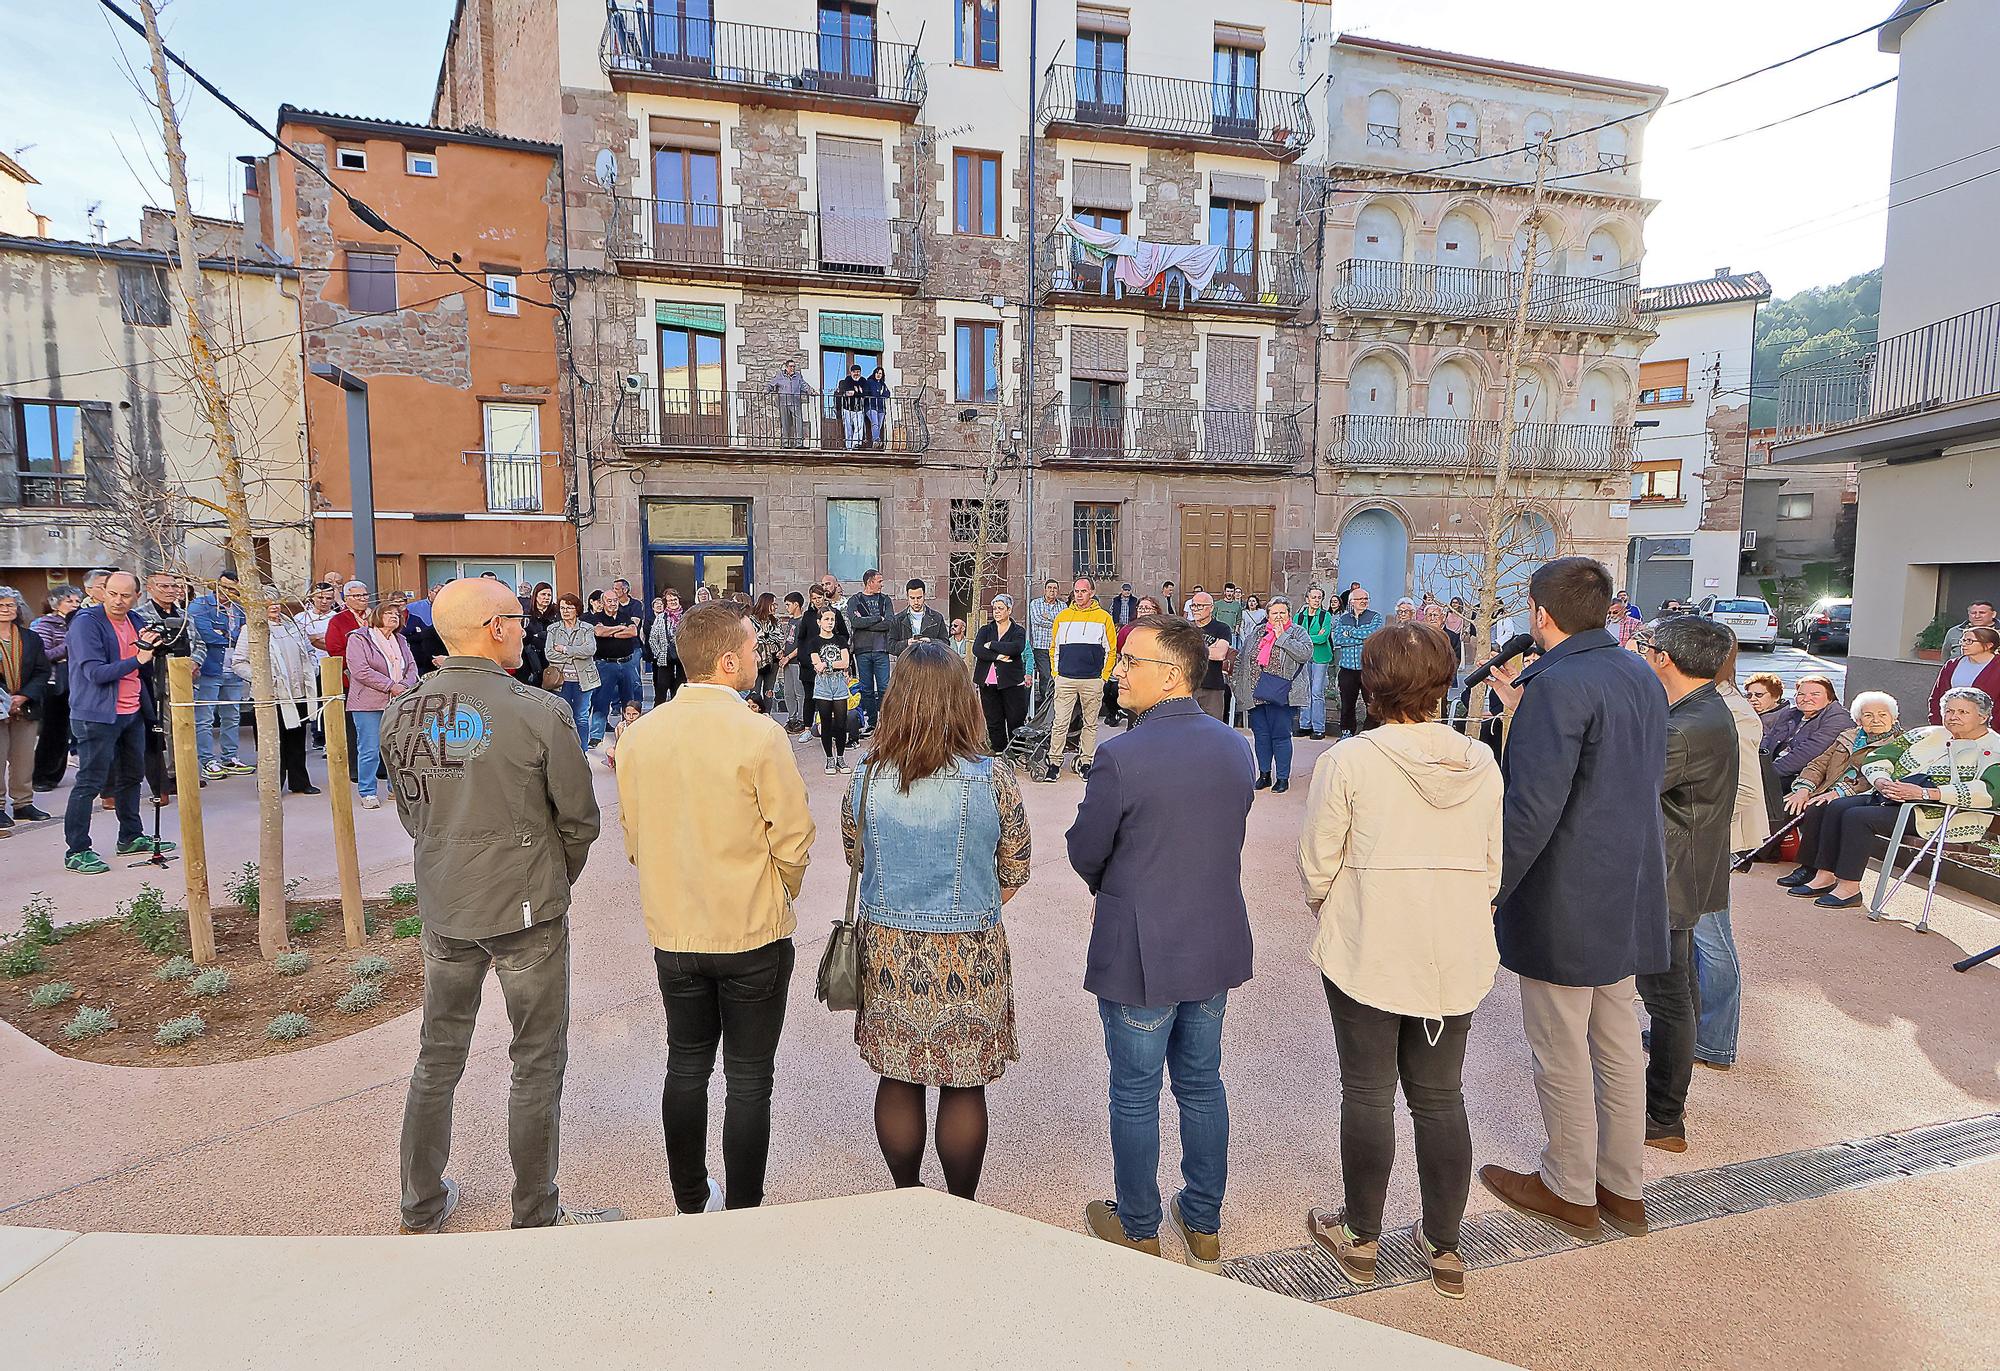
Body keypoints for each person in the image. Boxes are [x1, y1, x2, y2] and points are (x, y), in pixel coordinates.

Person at [383, 576, 615, 1233]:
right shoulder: (538, 710)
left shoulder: (403, 712)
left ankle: (419, 1201)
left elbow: (412, 814)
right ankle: (534, 1212)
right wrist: (551, 880)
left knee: (438, 1052)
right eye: (515, 618)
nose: (523, 628)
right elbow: (580, 820)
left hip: (447, 903)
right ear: (493, 627)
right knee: (536, 1059)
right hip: (525, 911)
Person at [1298, 622, 1502, 1300]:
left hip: (1370, 941)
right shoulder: (1481, 760)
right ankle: (1444, 1245)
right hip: (1456, 945)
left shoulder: (1351, 760)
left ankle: (1362, 1236)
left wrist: (1336, 906)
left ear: (1375, 685)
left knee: (1368, 1091)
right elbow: (1493, 866)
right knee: (1441, 1096)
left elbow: (1318, 863)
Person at [1477, 556, 1667, 1243]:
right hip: (1628, 882)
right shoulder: (1638, 671)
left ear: (1539, 614)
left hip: (1566, 889)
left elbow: (1531, 807)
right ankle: (1624, 1185)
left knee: (1560, 1045)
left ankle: (1568, 1186)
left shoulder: (1557, 684)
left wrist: (1490, 888)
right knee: (1616, 1042)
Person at [1068, 614, 1256, 1268]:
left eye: (1130, 661)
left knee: (1136, 1090)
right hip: (1212, 939)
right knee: (1202, 1082)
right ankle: (1203, 1220)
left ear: (1171, 673)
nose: (1119, 671)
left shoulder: (1123, 754)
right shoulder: (1235, 745)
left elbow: (1086, 850)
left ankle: (1140, 1224)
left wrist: (1114, 885)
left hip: (1142, 948)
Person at [615, 601, 815, 1214]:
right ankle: (744, 1206)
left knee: (687, 1064)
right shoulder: (759, 734)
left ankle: (690, 1199)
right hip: (752, 929)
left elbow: (634, 834)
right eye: (754, 651)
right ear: (727, 662)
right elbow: (794, 835)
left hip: (676, 930)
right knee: (749, 1078)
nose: (760, 657)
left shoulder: (640, 736)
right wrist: (780, 890)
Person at [844, 641, 1030, 1199]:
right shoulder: (992, 778)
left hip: (890, 950)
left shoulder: (868, 776)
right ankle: (960, 1203)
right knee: (964, 1085)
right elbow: (1015, 867)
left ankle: (906, 1190)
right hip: (968, 952)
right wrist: (969, 902)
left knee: (898, 1076)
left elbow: (857, 854)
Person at [1630, 616, 1739, 1154]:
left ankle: (1664, 1118)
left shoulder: (1687, 726)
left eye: (1647, 649)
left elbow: (1627, 784)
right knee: (1680, 993)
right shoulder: (1699, 711)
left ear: (1664, 659)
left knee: (1669, 998)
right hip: (1685, 866)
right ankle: (1665, 1109)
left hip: (1672, 873)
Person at [1780, 687, 2000, 909]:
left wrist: (1925, 793)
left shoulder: (1994, 747)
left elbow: (1989, 792)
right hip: (1893, 797)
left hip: (1940, 811)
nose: (1953, 717)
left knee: (1858, 817)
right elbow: (1879, 757)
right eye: (1949, 711)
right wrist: (1881, 781)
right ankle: (1824, 874)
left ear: (1983, 717)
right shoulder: (1927, 734)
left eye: (1963, 712)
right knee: (1832, 805)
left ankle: (1849, 887)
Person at [62, 572, 176, 873]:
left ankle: (130, 836)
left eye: (125, 595)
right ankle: (76, 850)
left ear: (136, 596)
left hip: (133, 712)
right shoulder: (87, 623)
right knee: (90, 782)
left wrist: (158, 645)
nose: (117, 600)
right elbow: (95, 673)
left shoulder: (136, 621)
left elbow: (149, 657)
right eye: (111, 593)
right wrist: (139, 659)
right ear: (102, 592)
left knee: (132, 776)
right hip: (96, 715)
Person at [1699, 639, 1769, 1073]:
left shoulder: (1734, 712)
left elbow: (1741, 788)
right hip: (1699, 837)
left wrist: (1700, 833)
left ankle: (1716, 1040)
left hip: (1711, 839)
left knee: (1712, 936)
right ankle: (1693, 1029)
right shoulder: (1710, 701)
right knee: (1692, 936)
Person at [230, 593, 321, 795]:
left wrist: (312, 669)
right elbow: (238, 662)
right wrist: (263, 680)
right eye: (267, 602)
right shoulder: (251, 629)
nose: (273, 606)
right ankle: (271, 787)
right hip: (270, 697)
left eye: (276, 602)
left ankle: (300, 782)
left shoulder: (293, 627)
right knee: (271, 743)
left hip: (297, 693)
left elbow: (310, 652)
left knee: (297, 740)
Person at [1231, 594, 1311, 793]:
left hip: (1282, 694)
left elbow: (1305, 653)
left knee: (1281, 736)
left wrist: (1281, 637)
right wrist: (1237, 685)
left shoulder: (1297, 632)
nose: (1278, 616)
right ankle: (1264, 774)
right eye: (1274, 613)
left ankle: (1282, 777)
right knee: (1261, 735)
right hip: (1256, 693)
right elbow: (1242, 659)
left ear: (1289, 614)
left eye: (1282, 613)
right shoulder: (1257, 633)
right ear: (1267, 615)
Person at [345, 602, 420, 811]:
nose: (394, 617)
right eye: (389, 613)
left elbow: (411, 666)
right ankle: (367, 792)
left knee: (397, 747)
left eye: (397, 614)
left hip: (398, 701)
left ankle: (394, 788)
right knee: (369, 748)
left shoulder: (401, 639)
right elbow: (360, 670)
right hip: (368, 703)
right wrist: (390, 686)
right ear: (377, 615)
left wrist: (404, 685)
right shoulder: (359, 638)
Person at [1041, 578, 1117, 782]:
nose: (1079, 594)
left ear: (1092, 592)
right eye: (1076, 591)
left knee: (1090, 723)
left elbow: (1111, 650)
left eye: (1083, 591)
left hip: (1092, 680)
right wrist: (1056, 675)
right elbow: (1054, 648)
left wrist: (1104, 677)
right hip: (1065, 679)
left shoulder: (1104, 618)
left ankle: (1086, 761)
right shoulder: (1063, 616)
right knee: (1059, 723)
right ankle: (1054, 762)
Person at [1760, 675, 1853, 826]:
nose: (1806, 698)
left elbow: (1807, 753)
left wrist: (1764, 773)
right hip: (1772, 769)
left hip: (1802, 775)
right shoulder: (1791, 713)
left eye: (1815, 694)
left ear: (1830, 698)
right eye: (1801, 694)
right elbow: (1767, 741)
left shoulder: (1838, 719)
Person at [189, 571, 252, 780]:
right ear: (215, 586)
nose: (228, 593)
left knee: (232, 716)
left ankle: (230, 757)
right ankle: (207, 760)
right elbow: (204, 633)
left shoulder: (240, 608)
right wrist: (232, 636)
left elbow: (248, 633)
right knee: (205, 718)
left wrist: (224, 634)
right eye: (224, 587)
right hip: (209, 669)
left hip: (234, 670)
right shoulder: (201, 605)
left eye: (233, 589)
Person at [0, 586, 52, 829]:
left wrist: (23, 697)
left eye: (10, 605)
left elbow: (42, 671)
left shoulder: (30, 637)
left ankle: (23, 803)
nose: (6, 609)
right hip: (0, 707)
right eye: (1, 605)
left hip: (26, 706)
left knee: (23, 758)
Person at [30, 586, 81, 792]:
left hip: (78, 681)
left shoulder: (81, 622)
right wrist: (70, 644)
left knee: (72, 731)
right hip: (56, 683)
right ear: (56, 603)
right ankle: (43, 776)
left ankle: (57, 773)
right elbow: (44, 654)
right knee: (53, 731)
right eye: (70, 601)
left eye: (78, 601)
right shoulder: (46, 624)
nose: (75, 605)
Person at [543, 592, 602, 750]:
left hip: (583, 681)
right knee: (562, 716)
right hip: (560, 680)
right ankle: (564, 751)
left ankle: (582, 751)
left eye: (569, 608)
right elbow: (549, 653)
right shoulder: (553, 629)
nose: (565, 611)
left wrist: (565, 649)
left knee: (581, 717)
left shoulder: (587, 628)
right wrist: (576, 653)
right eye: (562, 608)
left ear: (577, 609)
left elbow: (590, 650)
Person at [587, 580, 643, 745]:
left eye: (615, 601)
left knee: (629, 700)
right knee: (601, 700)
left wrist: (610, 632)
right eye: (609, 601)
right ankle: (597, 735)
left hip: (627, 663)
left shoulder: (625, 616)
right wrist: (618, 629)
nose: (613, 604)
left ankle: (631, 731)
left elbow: (633, 632)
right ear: (603, 602)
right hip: (606, 665)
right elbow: (599, 631)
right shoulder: (597, 617)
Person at [972, 593, 1029, 752]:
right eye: (995, 608)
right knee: (994, 720)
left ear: (1009, 610)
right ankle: (999, 752)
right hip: (988, 682)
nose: (996, 611)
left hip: (1011, 682)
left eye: (1000, 608)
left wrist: (991, 645)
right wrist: (998, 656)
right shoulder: (985, 629)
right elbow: (977, 649)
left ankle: (1017, 753)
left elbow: (1016, 648)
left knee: (1015, 719)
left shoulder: (1018, 630)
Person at [845, 570, 894, 733]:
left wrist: (867, 622)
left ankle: (886, 723)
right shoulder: (854, 600)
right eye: (879, 581)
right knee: (865, 688)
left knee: (884, 687)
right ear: (869, 582)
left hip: (881, 649)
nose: (882, 584)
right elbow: (855, 621)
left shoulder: (885, 600)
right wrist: (877, 618)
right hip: (862, 650)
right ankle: (871, 723)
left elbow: (889, 622)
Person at [1331, 586, 1383, 738]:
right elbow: (1339, 639)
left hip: (1368, 668)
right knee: (1347, 704)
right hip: (1347, 669)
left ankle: (1369, 733)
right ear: (1351, 601)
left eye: (1366, 599)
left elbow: (1372, 635)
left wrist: (1350, 633)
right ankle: (1347, 731)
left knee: (1372, 703)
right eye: (1360, 599)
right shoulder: (1343, 618)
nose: (1364, 602)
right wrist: (1361, 638)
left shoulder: (1375, 616)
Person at [809, 606, 855, 775]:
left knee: (841, 723)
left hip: (839, 684)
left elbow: (845, 662)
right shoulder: (814, 642)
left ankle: (841, 758)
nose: (830, 622)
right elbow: (816, 665)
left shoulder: (841, 640)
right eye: (826, 619)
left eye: (832, 619)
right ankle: (829, 759)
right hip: (823, 685)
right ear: (819, 622)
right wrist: (829, 665)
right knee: (826, 723)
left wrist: (828, 664)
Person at [1183, 592, 1236, 723]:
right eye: (1193, 606)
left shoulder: (1222, 628)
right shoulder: (1184, 628)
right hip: (1187, 686)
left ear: (1211, 607)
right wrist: (1210, 648)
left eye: (1200, 606)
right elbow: (1177, 653)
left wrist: (1192, 649)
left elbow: (1220, 654)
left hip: (1213, 686)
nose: (1195, 609)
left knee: (1213, 729)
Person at [1931, 626, 2000, 725]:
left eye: (1969, 641)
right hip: (1952, 726)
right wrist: (1937, 723)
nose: (1963, 644)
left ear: (1988, 645)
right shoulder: (1951, 665)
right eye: (1963, 640)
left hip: (1988, 729)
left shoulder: (1997, 667)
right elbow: (1937, 696)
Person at [1296, 586, 1335, 740]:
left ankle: (1319, 727)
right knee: (1305, 690)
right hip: (1304, 657)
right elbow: (1294, 636)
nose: (1316, 600)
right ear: (1307, 599)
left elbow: (1323, 638)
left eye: (1319, 597)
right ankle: (1305, 725)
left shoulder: (1325, 616)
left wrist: (1306, 637)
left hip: (1320, 657)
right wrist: (1312, 636)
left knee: (1317, 692)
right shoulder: (1299, 617)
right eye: (1314, 597)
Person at [886, 579, 948, 655]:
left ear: (924, 596)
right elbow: (890, 646)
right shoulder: (897, 619)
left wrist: (930, 641)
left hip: (930, 663)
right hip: (907, 663)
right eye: (912, 598)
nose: (916, 602)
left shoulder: (937, 618)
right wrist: (907, 643)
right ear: (907, 597)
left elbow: (945, 643)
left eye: (919, 598)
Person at [1027, 578, 1062, 707]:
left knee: (1057, 677)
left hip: (1057, 647)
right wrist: (1055, 620)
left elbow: (1062, 624)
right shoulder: (1035, 604)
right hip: (1040, 646)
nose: (1052, 591)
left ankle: (1055, 704)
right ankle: (1045, 704)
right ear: (1045, 590)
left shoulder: (1063, 605)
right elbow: (1037, 620)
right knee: (1045, 676)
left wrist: (1049, 617)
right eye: (1050, 588)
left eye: (1055, 588)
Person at [767, 358, 816, 448]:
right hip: (784, 402)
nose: (792, 368)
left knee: (798, 422)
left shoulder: (798, 376)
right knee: (785, 423)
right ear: (786, 367)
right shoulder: (780, 376)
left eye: (794, 366)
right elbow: (771, 384)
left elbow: (804, 386)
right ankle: (786, 444)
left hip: (795, 401)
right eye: (790, 366)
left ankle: (799, 444)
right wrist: (766, 390)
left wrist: (812, 391)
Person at [516, 583, 556, 690]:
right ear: (536, 596)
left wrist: (539, 635)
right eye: (543, 594)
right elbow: (523, 636)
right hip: (529, 660)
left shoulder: (555, 614)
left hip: (549, 660)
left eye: (549, 595)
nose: (546, 598)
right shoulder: (526, 613)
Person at [647, 590, 684, 706]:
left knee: (680, 688)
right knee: (661, 688)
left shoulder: (686, 616)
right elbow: (652, 638)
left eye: (675, 599)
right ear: (666, 603)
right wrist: (658, 653)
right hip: (664, 657)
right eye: (670, 600)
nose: (673, 602)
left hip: (682, 658)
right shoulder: (661, 617)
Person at [777, 592, 806, 731]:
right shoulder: (791, 621)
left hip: (797, 662)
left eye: (788, 605)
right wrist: (783, 651)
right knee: (788, 692)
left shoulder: (803, 621)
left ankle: (801, 719)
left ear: (796, 604)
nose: (787, 607)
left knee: (799, 692)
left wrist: (789, 657)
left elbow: (802, 645)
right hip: (788, 661)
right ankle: (792, 718)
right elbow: (788, 639)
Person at [750, 593, 786, 705]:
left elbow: (780, 638)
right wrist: (767, 637)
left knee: (769, 691)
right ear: (766, 604)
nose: (775, 607)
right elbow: (754, 638)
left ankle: (768, 715)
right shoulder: (752, 620)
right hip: (757, 660)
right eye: (773, 604)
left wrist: (764, 637)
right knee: (755, 691)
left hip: (773, 661)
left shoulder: (775, 621)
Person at [836, 362, 868, 450]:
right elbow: (847, 392)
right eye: (854, 372)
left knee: (859, 427)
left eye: (858, 372)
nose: (856, 374)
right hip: (848, 408)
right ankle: (849, 447)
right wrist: (859, 392)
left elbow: (866, 392)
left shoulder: (863, 381)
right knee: (848, 429)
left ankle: (855, 445)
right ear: (851, 372)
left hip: (859, 408)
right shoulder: (848, 380)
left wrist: (855, 392)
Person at [1743, 671, 1786, 738]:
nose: (1752, 699)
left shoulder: (1786, 719)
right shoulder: (1744, 714)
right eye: (1749, 695)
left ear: (1776, 697)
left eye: (1759, 694)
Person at [863, 364, 891, 449]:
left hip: (881, 408)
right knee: (875, 423)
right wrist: (879, 394)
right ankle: (876, 440)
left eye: (880, 373)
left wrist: (880, 394)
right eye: (877, 373)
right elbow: (869, 392)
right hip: (871, 406)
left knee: (879, 424)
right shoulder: (869, 382)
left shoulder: (883, 384)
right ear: (874, 373)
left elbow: (888, 393)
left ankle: (876, 441)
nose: (878, 375)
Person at [1443, 597, 1466, 663]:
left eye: (1456, 603)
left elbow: (1465, 626)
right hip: (1448, 634)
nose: (1454, 604)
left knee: (1457, 655)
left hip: (1458, 636)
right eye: (1453, 602)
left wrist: (1464, 634)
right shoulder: (1448, 613)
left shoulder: (1462, 614)